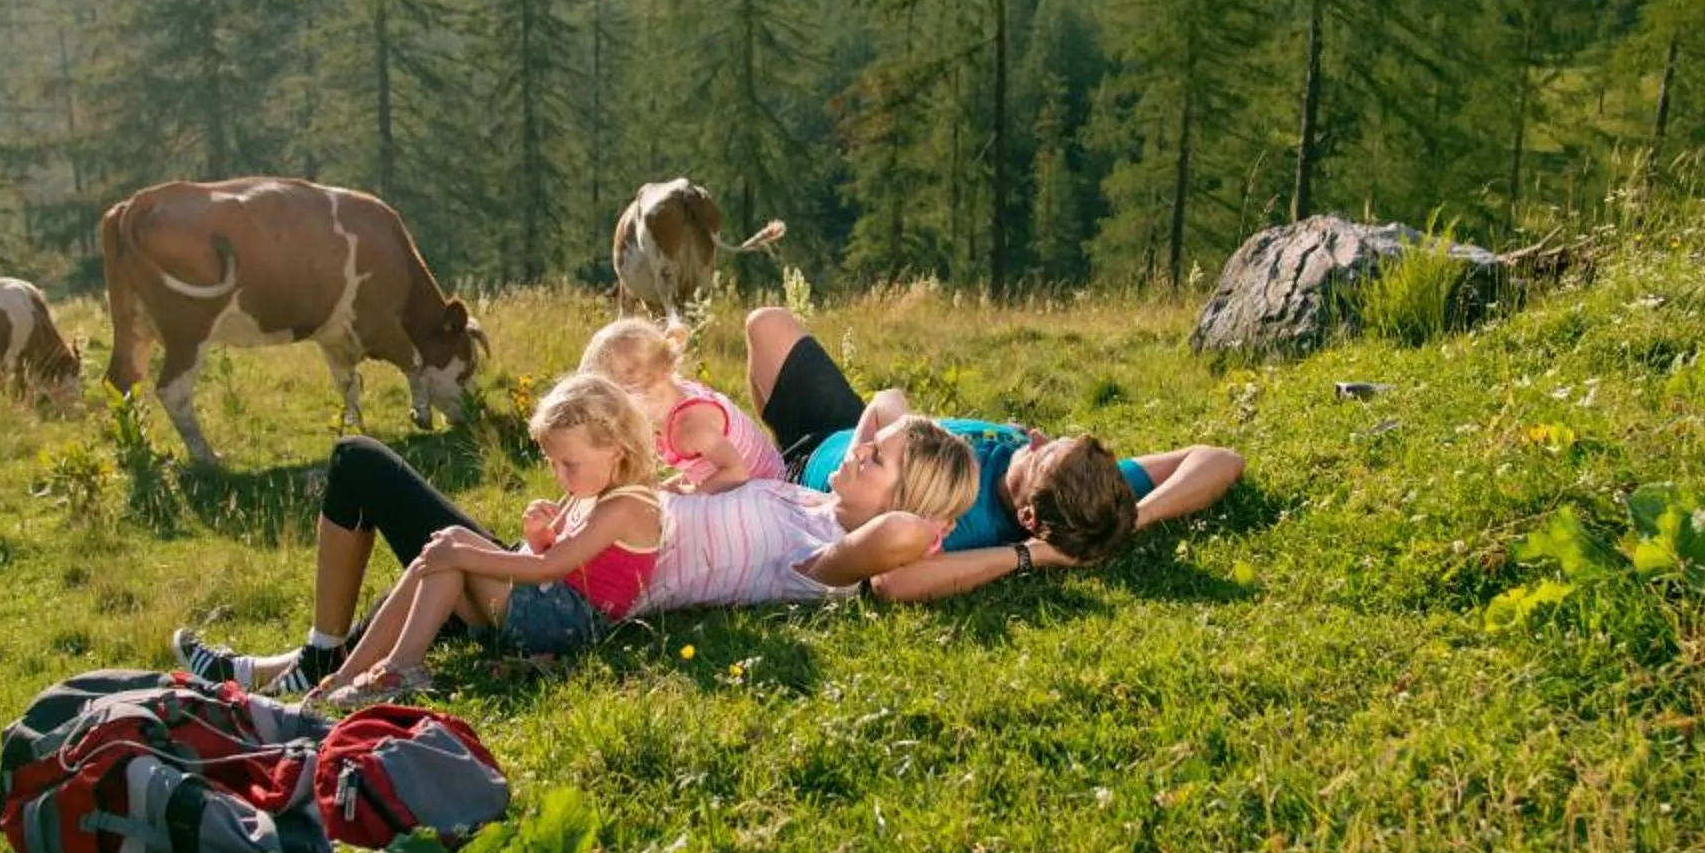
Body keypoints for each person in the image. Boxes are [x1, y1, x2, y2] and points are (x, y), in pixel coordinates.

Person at [174, 375, 986, 695]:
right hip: (574, 556)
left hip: (575, 587)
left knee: (363, 467)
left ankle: (318, 662)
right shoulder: (804, 502)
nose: (860, 447)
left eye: (876, 460)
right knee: (427, 549)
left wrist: (969, 529)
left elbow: (896, 542)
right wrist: (900, 441)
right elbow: (885, 398)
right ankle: (303, 664)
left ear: (901, 504)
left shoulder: (819, 560)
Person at [743, 304, 1246, 603]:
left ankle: (772, 456)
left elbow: (893, 581)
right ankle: (776, 436)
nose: (1036, 439)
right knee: (766, 324)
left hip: (812, 479)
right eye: (1055, 440)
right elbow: (1219, 458)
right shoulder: (1085, 489)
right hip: (853, 432)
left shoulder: (963, 520)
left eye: (1039, 456)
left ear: (1027, 515)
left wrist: (1030, 556)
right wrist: (1133, 520)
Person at [301, 372, 665, 703]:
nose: (559, 475)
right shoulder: (591, 489)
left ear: (615, 449)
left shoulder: (628, 506)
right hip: (550, 609)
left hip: (567, 624)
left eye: (568, 464)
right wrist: (538, 537)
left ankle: (402, 666)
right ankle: (346, 674)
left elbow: (549, 567)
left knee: (452, 552)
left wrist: (465, 556)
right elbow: (555, 557)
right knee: (448, 543)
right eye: (552, 463)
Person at [582, 316, 788, 494]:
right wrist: (667, 488)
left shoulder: (690, 426)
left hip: (766, 493)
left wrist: (686, 495)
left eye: (613, 408)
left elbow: (736, 473)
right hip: (747, 485)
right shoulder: (675, 397)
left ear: (641, 389)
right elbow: (703, 469)